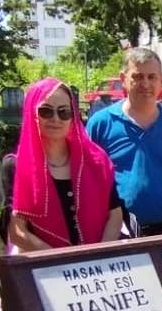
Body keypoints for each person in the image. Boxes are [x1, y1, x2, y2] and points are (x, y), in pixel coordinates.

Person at [10, 78, 124, 250]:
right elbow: (17, 231)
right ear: (31, 112)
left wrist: (98, 255)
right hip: (43, 266)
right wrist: (61, 261)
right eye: (46, 111)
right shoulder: (16, 165)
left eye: (64, 112)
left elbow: (115, 214)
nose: (56, 119)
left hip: (97, 264)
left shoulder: (96, 161)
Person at [86, 47, 162, 237]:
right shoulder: (100, 124)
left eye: (152, 77)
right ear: (123, 78)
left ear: (161, 81)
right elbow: (88, 179)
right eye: (138, 77)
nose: (146, 84)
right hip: (115, 229)